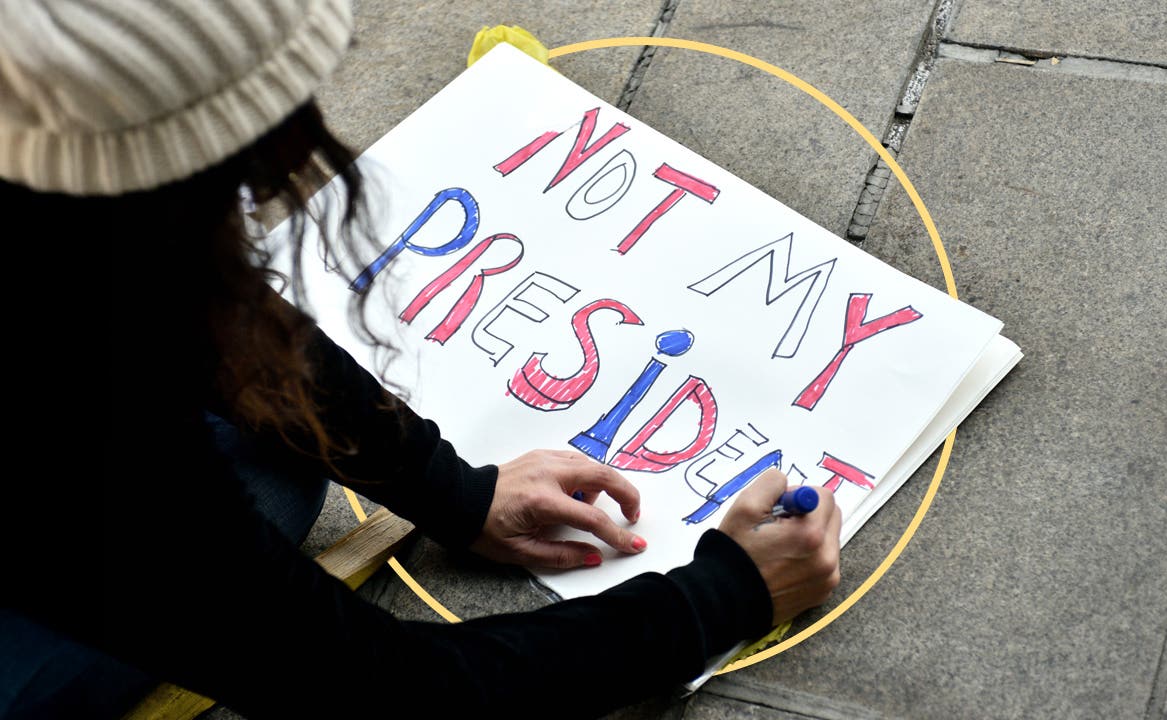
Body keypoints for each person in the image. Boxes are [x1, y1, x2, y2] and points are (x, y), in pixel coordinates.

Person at [0, 1, 842, 717]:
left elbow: (207, 319)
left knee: (277, 445)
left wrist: (452, 489)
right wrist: (719, 598)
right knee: (267, 491)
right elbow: (382, 690)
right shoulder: (83, 390)